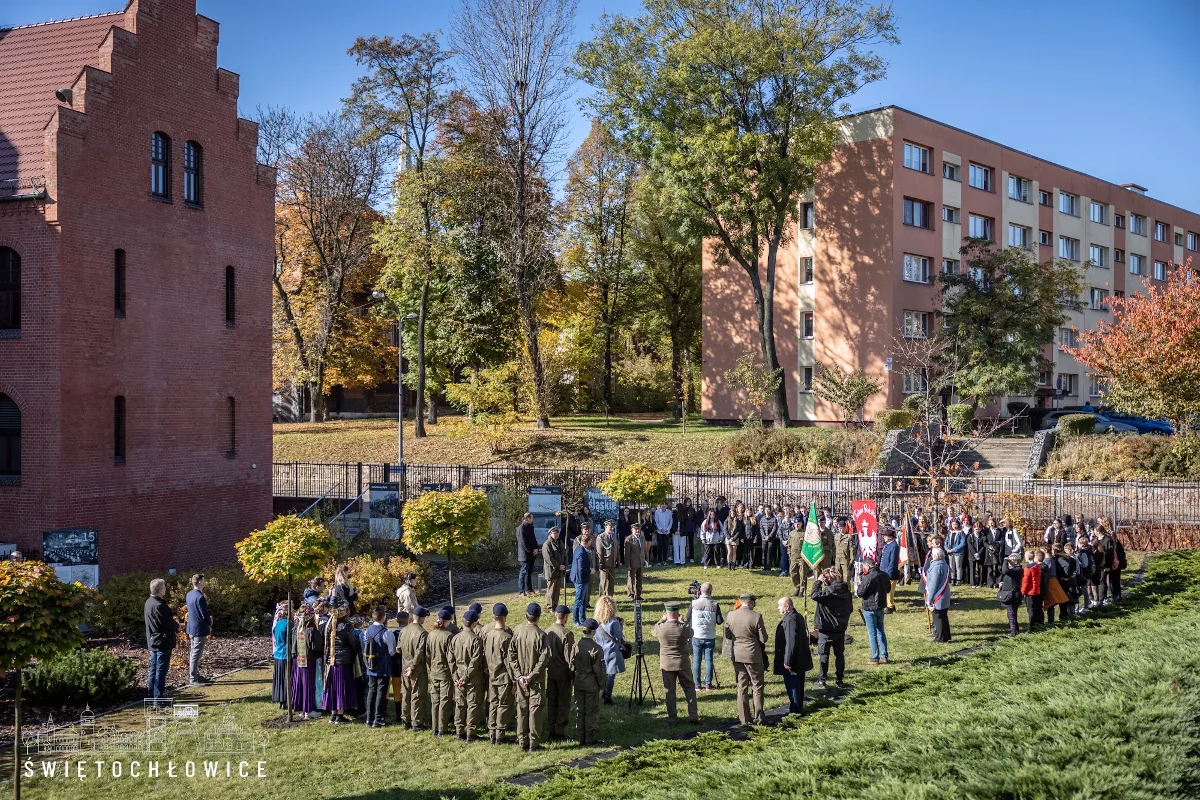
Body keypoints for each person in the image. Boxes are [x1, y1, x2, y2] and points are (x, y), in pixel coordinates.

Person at [508, 602, 550, 752]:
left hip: (521, 681)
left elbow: (511, 656)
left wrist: (519, 676)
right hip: (536, 681)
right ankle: (534, 743)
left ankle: (522, 742)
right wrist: (531, 675)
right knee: (535, 711)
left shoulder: (517, 632)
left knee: (522, 710)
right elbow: (544, 659)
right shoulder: (541, 635)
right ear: (538, 617)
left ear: (526, 615)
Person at [724, 592, 768, 725]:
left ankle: (744, 719)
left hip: (737, 655)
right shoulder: (756, 616)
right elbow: (764, 639)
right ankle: (759, 717)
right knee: (757, 686)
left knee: (741, 687)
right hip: (753, 656)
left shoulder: (730, 615)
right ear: (751, 602)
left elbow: (727, 635)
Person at [653, 602, 699, 724]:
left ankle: (672, 718)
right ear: (678, 613)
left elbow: (653, 630)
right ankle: (693, 716)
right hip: (682, 663)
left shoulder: (661, 628)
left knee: (670, 691)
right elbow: (692, 633)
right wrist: (682, 622)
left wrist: (661, 620)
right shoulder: (683, 628)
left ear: (666, 613)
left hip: (667, 664)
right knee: (689, 688)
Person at [449, 606, 486, 741]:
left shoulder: (455, 638)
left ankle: (459, 731)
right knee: (473, 705)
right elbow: (475, 662)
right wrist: (465, 678)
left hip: (458, 677)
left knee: (460, 705)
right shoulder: (476, 640)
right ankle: (471, 733)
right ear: (474, 624)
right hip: (473, 679)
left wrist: (456, 678)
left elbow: (450, 660)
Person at [811, 568, 853, 688]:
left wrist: (818, 582)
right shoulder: (846, 591)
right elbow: (850, 609)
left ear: (827, 579)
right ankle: (839, 679)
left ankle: (822, 680)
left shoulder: (829, 591)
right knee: (839, 654)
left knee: (824, 655)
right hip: (840, 628)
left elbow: (814, 595)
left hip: (826, 628)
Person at [321, 599, 361, 724]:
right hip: (343, 661)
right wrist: (354, 652)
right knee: (341, 688)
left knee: (332, 687)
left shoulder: (328, 624)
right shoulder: (346, 626)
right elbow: (354, 642)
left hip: (330, 661)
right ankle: (339, 715)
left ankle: (333, 713)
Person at [483, 603, 515, 744]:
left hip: (491, 675)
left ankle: (492, 733)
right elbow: (509, 661)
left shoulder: (488, 635)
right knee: (503, 705)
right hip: (503, 676)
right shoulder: (507, 637)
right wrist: (514, 680)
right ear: (505, 617)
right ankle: (500, 734)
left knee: (493, 704)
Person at [774, 596, 812, 715]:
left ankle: (795, 712)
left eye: (780, 606)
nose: (778, 608)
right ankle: (797, 709)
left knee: (793, 687)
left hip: (793, 663)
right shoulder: (797, 616)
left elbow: (791, 641)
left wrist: (788, 661)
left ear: (787, 606)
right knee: (797, 687)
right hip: (799, 660)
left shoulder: (790, 619)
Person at [573, 618, 607, 746]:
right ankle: (589, 739)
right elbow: (599, 670)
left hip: (578, 681)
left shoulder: (576, 645)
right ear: (594, 631)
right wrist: (602, 686)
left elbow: (571, 664)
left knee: (580, 710)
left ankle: (581, 737)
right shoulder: (597, 648)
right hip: (591, 683)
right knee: (591, 711)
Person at [144, 578, 178, 701]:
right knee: (161, 671)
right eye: (164, 587)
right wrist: (177, 626)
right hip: (162, 642)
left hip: (153, 641)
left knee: (153, 669)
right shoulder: (159, 605)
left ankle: (150, 694)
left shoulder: (149, 602)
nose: (165, 589)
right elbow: (167, 623)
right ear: (159, 590)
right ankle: (158, 697)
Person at [362, 604, 396, 728]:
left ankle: (369, 718)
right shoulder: (386, 632)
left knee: (371, 690)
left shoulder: (367, 631)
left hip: (370, 664)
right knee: (381, 692)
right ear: (384, 617)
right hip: (383, 666)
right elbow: (392, 651)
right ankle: (378, 717)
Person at [544, 605, 575, 740]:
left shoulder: (547, 631)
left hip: (551, 671)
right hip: (563, 673)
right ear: (566, 616)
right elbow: (570, 658)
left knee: (552, 701)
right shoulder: (567, 634)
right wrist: (573, 676)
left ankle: (551, 728)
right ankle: (559, 731)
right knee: (563, 702)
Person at [398, 606, 430, 730]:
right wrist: (413, 666)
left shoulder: (403, 630)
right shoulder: (423, 633)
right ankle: (416, 722)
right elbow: (420, 653)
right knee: (417, 695)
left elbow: (399, 649)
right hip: (417, 669)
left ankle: (405, 720)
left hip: (404, 666)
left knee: (406, 694)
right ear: (421, 618)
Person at [686, 582, 722, 691]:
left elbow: (688, 618)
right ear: (711, 591)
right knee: (708, 660)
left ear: (700, 591)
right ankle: (708, 684)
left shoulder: (694, 603)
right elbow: (719, 621)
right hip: (709, 635)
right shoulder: (715, 604)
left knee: (696, 660)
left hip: (696, 635)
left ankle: (697, 685)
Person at [426, 607, 457, 736]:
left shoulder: (431, 634)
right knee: (445, 701)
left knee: (435, 701)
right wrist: (455, 674)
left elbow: (427, 655)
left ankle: (435, 728)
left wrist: (431, 667)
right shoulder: (449, 636)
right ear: (447, 621)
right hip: (445, 673)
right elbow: (451, 658)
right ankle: (442, 728)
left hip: (434, 672)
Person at [856, 557, 891, 664]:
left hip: (869, 607)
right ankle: (884, 656)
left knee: (872, 633)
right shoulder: (884, 575)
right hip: (880, 606)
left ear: (867, 566)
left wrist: (861, 581)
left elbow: (860, 593)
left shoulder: (868, 577)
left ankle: (875, 657)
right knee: (881, 631)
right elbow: (888, 589)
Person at [593, 596, 626, 704]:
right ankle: (607, 696)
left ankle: (600, 693)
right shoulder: (614, 622)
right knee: (611, 675)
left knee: (602, 674)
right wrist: (621, 625)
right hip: (612, 651)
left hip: (600, 649)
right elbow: (619, 636)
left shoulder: (597, 622)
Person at [292, 604, 321, 718]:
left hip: (298, 661)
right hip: (309, 661)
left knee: (301, 684)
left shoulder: (296, 629)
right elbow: (316, 646)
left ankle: (302, 709)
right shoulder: (311, 630)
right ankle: (308, 710)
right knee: (308, 685)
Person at [185, 573, 212, 687]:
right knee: (196, 654)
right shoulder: (200, 597)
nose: (205, 582)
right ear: (200, 582)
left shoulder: (189, 594)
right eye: (204, 580)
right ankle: (193, 679)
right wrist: (210, 622)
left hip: (191, 628)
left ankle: (196, 675)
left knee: (194, 653)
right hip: (199, 629)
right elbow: (203, 614)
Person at [924, 548, 951, 642]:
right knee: (943, 617)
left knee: (938, 618)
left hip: (938, 596)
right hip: (944, 595)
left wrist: (929, 600)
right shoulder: (944, 564)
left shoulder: (937, 566)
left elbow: (933, 585)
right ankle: (946, 636)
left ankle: (940, 638)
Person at [388, 610, 409, 723]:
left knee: (396, 690)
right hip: (406, 666)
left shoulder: (392, 634)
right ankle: (407, 711)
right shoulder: (408, 633)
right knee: (407, 689)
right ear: (407, 620)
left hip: (395, 667)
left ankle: (398, 714)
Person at [997, 553, 1025, 636]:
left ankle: (1013, 633)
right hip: (1010, 594)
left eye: (1009, 561)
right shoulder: (1014, 570)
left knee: (1011, 615)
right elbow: (1009, 578)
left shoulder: (1017, 570)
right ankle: (1015, 630)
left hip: (1013, 595)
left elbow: (1005, 570)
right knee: (1012, 614)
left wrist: (1005, 560)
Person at [570, 531, 593, 626]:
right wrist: (590, 570)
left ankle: (582, 618)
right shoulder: (581, 552)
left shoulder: (579, 548)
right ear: (588, 542)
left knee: (584, 600)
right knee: (579, 600)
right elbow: (581, 568)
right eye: (590, 541)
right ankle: (576, 620)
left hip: (583, 579)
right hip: (580, 580)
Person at [271, 601, 291, 709]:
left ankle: (280, 700)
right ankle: (287, 700)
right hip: (285, 654)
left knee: (279, 678)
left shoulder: (277, 624)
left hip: (277, 654)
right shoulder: (289, 624)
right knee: (286, 678)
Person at [542, 526, 568, 609]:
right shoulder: (547, 544)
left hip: (560, 571)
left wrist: (564, 564)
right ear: (550, 534)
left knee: (557, 591)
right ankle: (550, 606)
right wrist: (558, 566)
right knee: (551, 590)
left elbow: (564, 554)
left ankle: (555, 605)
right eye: (554, 533)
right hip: (552, 571)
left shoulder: (560, 542)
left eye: (557, 533)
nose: (556, 534)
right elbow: (549, 558)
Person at [1020, 550, 1044, 631]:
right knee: (1038, 608)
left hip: (1030, 592)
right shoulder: (1037, 566)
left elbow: (1025, 582)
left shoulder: (1028, 568)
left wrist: (1022, 592)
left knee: (1031, 610)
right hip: (1037, 590)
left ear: (1027, 557)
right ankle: (1039, 624)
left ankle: (1031, 627)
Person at [516, 513, 539, 598]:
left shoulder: (530, 527)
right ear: (528, 518)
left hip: (532, 553)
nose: (533, 519)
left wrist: (536, 549)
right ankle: (521, 591)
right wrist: (531, 551)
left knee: (529, 572)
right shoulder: (521, 528)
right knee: (523, 572)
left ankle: (529, 590)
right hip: (525, 555)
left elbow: (533, 539)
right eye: (532, 518)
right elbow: (523, 543)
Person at [878, 530, 901, 613]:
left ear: (890, 537)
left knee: (889, 591)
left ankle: (889, 606)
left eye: (885, 536)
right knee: (886, 590)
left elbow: (893, 561)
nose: (884, 537)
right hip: (884, 571)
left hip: (890, 572)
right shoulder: (887, 545)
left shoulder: (894, 546)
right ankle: (891, 605)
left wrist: (889, 573)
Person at [596, 520, 619, 597]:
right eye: (610, 526)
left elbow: (616, 548)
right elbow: (599, 551)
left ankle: (610, 598)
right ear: (606, 527)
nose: (612, 528)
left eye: (613, 526)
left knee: (611, 583)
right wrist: (600, 563)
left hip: (612, 563)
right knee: (603, 583)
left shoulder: (614, 536)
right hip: (605, 564)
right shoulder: (601, 537)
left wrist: (617, 560)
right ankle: (602, 598)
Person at [624, 524, 645, 601]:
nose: (637, 530)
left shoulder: (642, 538)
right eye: (635, 529)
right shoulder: (629, 539)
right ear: (632, 530)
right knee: (631, 579)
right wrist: (628, 564)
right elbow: (627, 554)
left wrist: (645, 560)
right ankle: (631, 595)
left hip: (640, 562)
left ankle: (638, 595)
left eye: (638, 529)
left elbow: (643, 550)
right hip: (632, 563)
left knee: (639, 579)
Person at [944, 521, 967, 586]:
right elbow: (946, 542)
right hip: (950, 552)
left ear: (958, 525)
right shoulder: (949, 532)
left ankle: (959, 579)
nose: (954, 526)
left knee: (958, 566)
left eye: (956, 524)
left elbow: (962, 543)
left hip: (958, 552)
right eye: (953, 524)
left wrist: (953, 550)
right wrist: (947, 549)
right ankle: (952, 579)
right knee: (951, 566)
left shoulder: (961, 533)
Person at [654, 502, 674, 567]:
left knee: (665, 546)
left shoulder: (669, 512)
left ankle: (664, 560)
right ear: (660, 505)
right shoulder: (657, 512)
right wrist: (661, 529)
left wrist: (668, 529)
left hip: (667, 532)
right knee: (660, 546)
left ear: (667, 506)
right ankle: (659, 561)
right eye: (662, 504)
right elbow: (656, 522)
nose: (664, 505)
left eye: (665, 504)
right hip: (660, 532)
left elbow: (671, 521)